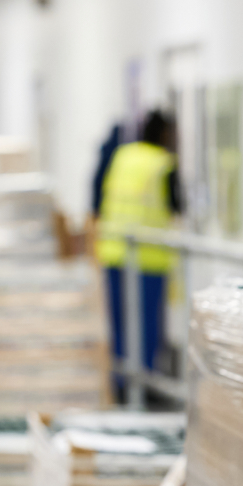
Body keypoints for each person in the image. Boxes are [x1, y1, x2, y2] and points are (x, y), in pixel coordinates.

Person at [95, 108, 184, 392]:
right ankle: (144, 386)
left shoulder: (123, 156)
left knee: (120, 322)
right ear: (164, 134)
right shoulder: (163, 163)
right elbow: (176, 205)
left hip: (113, 252)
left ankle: (120, 382)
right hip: (148, 258)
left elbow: (99, 195)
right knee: (146, 326)